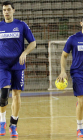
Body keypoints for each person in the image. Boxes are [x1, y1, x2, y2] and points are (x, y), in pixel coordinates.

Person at [0, 1, 36, 138]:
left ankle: (13, 125)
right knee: (4, 93)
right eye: (4, 10)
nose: (6, 12)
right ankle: (2, 121)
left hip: (18, 65)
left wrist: (25, 53)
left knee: (16, 94)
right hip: (2, 64)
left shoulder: (21, 25)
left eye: (8, 9)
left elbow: (33, 42)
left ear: (13, 10)